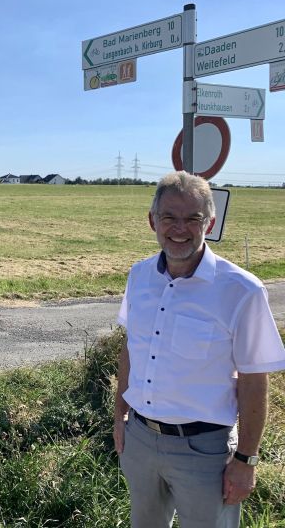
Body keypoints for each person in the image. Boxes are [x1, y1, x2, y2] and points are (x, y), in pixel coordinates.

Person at [113, 171, 285, 527]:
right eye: (169, 217)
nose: (180, 228)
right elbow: (131, 348)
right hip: (141, 440)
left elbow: (254, 380)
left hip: (205, 452)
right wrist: (120, 418)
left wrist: (246, 460)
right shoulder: (139, 276)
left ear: (210, 223)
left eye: (193, 218)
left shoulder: (241, 290)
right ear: (152, 221)